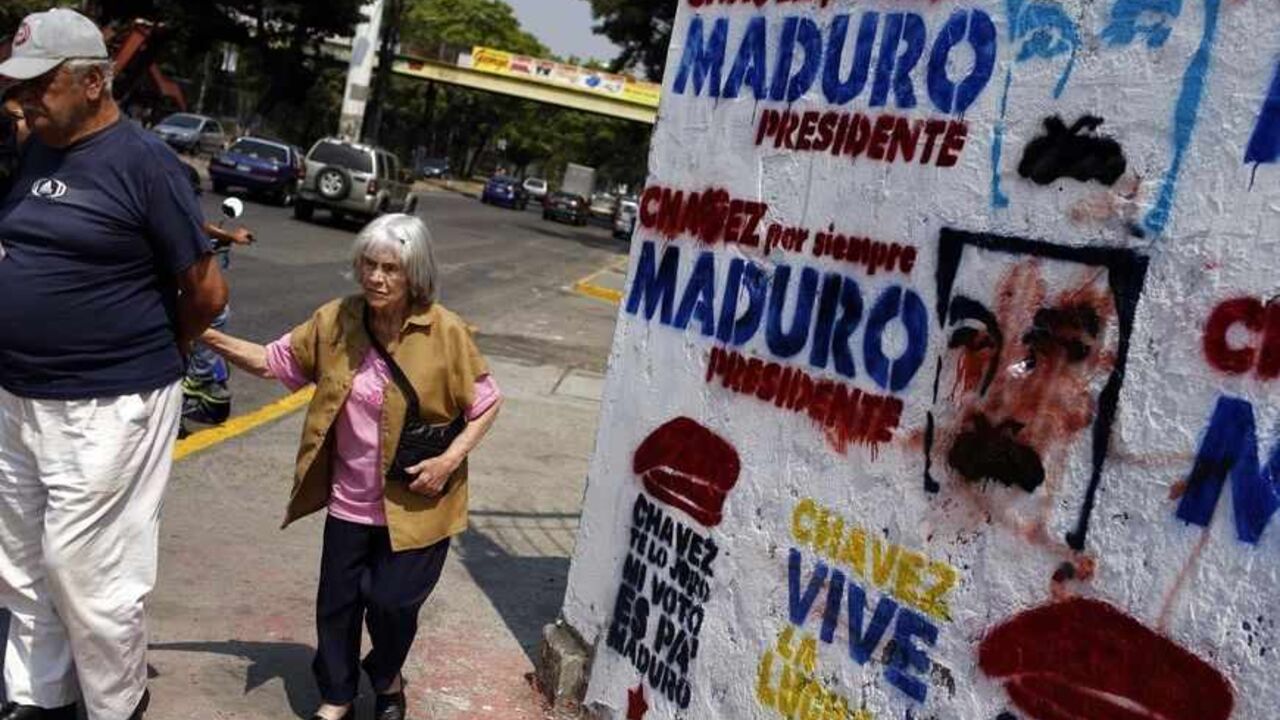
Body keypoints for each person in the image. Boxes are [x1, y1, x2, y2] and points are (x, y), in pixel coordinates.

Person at [0, 8, 227, 720]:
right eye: (20, 85)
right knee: (22, 564)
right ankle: (37, 696)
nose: (24, 99)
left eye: (42, 85)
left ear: (95, 82)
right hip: (19, 397)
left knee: (89, 575)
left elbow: (206, 291)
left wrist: (173, 352)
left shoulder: (145, 164)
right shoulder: (38, 150)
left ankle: (115, 704)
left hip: (107, 404)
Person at [200, 213, 502, 720]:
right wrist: (200, 333)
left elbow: (487, 403)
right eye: (369, 265)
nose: (377, 278)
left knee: (392, 604)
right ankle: (337, 695)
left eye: (390, 268)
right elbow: (271, 362)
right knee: (337, 605)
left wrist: (449, 461)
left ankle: (385, 675)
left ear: (415, 274)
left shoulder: (445, 332)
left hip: (419, 502)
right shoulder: (336, 320)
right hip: (350, 500)